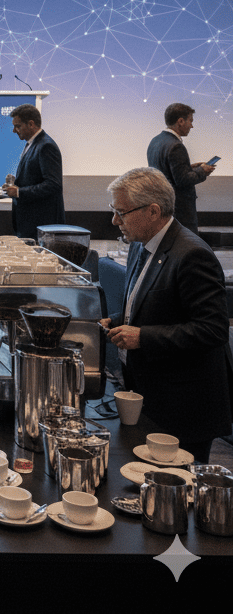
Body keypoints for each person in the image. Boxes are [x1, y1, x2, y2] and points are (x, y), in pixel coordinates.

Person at [101, 167, 232, 463]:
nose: (115, 221)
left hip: (183, 406)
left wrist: (143, 337)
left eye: (121, 212)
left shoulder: (192, 254)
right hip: (147, 395)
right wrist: (117, 321)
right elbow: (150, 305)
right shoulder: (140, 245)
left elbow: (213, 329)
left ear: (153, 211)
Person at [146, 103, 216, 233]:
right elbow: (183, 180)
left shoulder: (155, 141)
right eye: (190, 121)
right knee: (186, 243)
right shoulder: (176, 146)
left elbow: (166, 170)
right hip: (180, 210)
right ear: (181, 121)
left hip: (163, 205)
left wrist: (189, 167)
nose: (192, 126)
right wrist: (203, 171)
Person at [4, 103, 65, 240]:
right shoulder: (33, 143)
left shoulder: (46, 146)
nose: (14, 130)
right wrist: (14, 185)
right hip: (31, 223)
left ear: (31, 124)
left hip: (41, 225)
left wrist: (19, 192)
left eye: (17, 126)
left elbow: (53, 185)